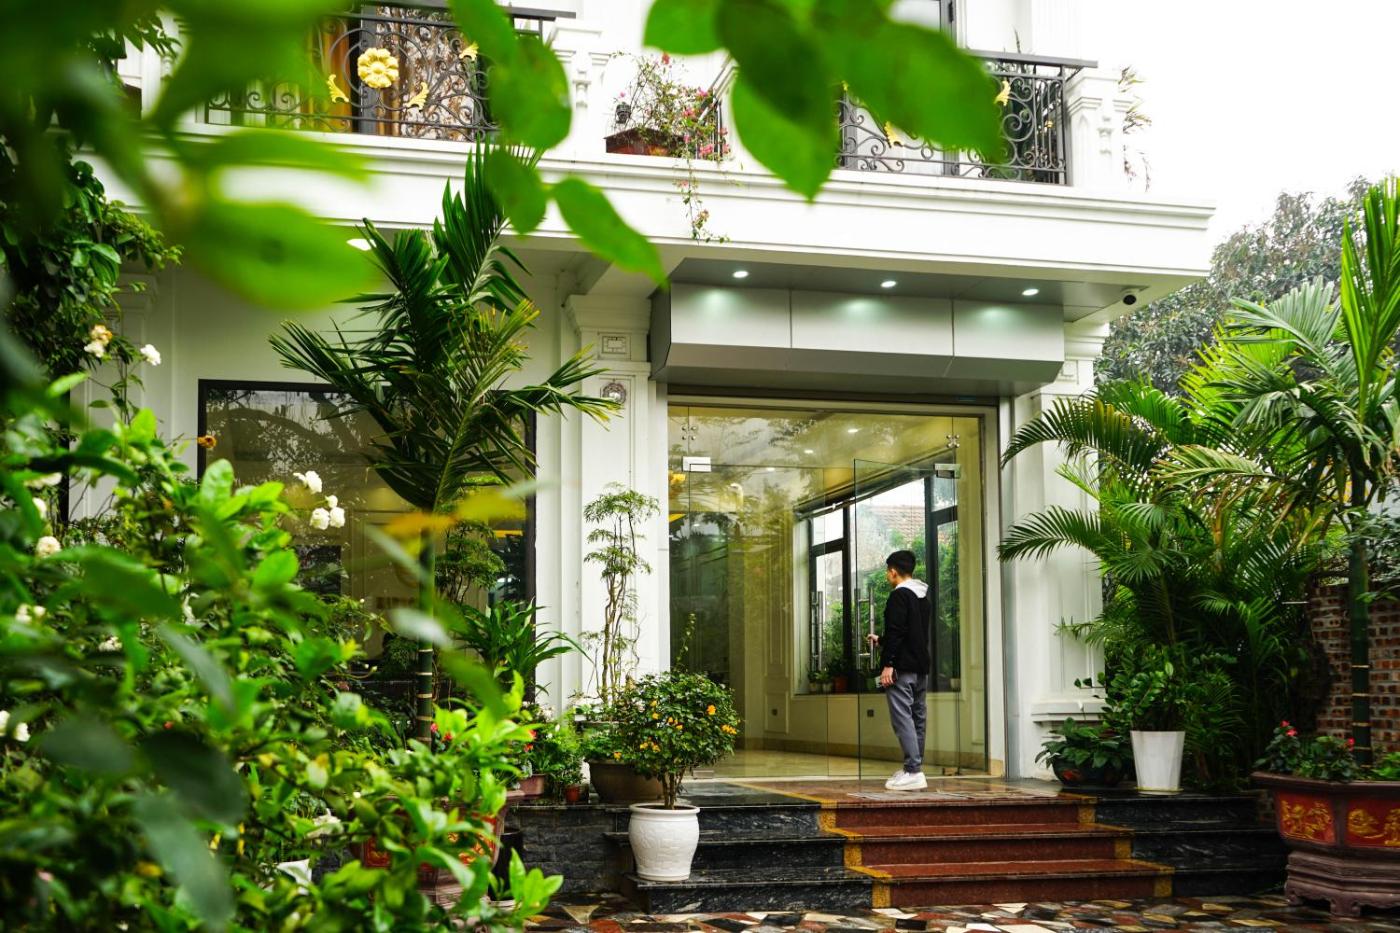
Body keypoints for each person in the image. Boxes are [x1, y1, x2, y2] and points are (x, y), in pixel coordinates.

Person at [866, 549, 931, 790]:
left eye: (887, 571)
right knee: (917, 717)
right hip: (920, 666)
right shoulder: (923, 596)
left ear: (893, 572)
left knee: (902, 718)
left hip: (901, 668)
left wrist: (888, 664)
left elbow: (897, 631)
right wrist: (882, 640)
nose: (887, 575)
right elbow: (912, 632)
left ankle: (913, 771)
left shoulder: (899, 596)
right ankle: (914, 768)